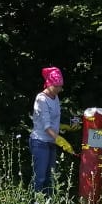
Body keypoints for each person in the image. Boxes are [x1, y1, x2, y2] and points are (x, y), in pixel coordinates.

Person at [28, 66, 73, 196]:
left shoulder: (55, 97)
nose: (60, 89)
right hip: (40, 142)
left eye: (61, 86)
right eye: (57, 86)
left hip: (51, 142)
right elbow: (47, 126)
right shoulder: (41, 99)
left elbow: (54, 121)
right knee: (40, 177)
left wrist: (66, 127)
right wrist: (61, 141)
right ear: (49, 84)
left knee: (50, 178)